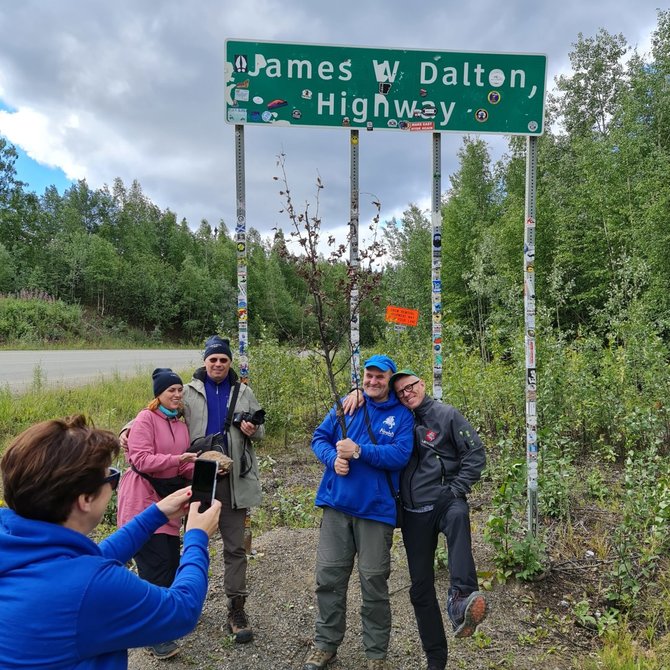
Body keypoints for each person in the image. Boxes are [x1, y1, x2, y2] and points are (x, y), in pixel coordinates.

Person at [0, 414, 221, 670]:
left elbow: (88, 562)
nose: (114, 486)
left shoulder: (18, 546)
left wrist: (155, 514)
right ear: (85, 499)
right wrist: (197, 537)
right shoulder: (89, 588)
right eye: (112, 477)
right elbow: (181, 611)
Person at [120, 334, 264, 643]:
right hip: (196, 479)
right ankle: (182, 605)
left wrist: (253, 428)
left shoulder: (244, 392)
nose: (218, 364)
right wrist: (127, 428)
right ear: (205, 362)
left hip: (233, 480)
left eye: (223, 359)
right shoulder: (187, 391)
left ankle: (236, 610)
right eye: (213, 359)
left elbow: (261, 430)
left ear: (229, 363)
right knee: (193, 543)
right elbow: (155, 408)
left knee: (235, 546)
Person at [302, 355, 414, 670]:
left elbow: (401, 455)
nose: (373, 381)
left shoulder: (402, 415)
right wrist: (331, 459)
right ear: (362, 377)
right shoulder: (348, 404)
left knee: (374, 583)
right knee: (329, 579)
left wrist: (360, 452)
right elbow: (320, 438)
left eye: (380, 377)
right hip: (337, 507)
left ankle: (376, 655)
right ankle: (325, 645)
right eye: (369, 376)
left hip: (376, 512)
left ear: (390, 380)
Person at [389, 369, 488, 670]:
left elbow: (476, 453)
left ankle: (461, 598)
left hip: (444, 502)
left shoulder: (447, 415)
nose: (407, 393)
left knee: (459, 516)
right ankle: (436, 658)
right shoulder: (399, 421)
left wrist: (456, 489)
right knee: (420, 589)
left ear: (421, 384)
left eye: (410, 386)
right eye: (401, 392)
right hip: (413, 513)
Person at [117, 367, 198, 659]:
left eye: (179, 390)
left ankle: (160, 622)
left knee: (170, 563)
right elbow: (140, 458)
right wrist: (179, 459)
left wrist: (202, 468)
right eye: (170, 391)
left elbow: (182, 465)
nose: (176, 395)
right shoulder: (145, 419)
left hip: (167, 505)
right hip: (141, 501)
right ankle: (154, 636)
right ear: (158, 395)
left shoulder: (180, 423)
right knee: (156, 567)